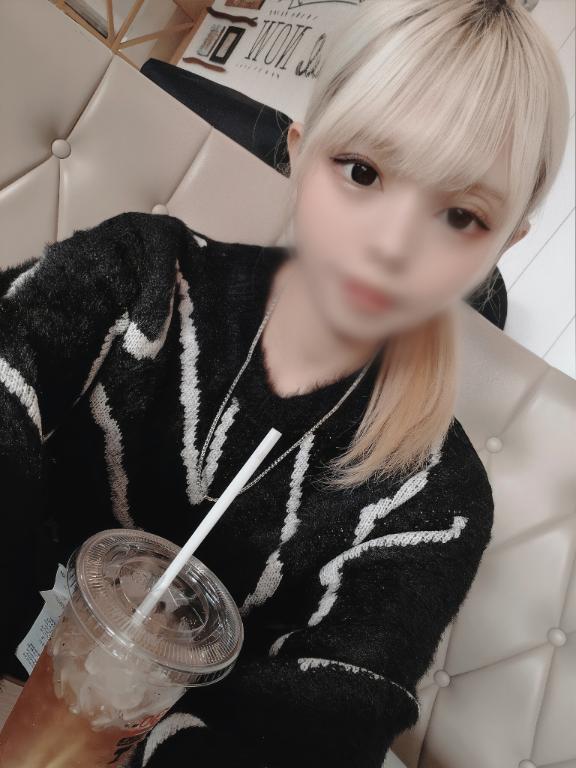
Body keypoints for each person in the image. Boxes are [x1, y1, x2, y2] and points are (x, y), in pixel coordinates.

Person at [0, 0, 569, 766]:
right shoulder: (141, 281)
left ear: (503, 247)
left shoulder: (434, 503)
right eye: (362, 171)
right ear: (300, 152)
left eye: (462, 216)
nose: (391, 245)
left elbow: (323, 726)